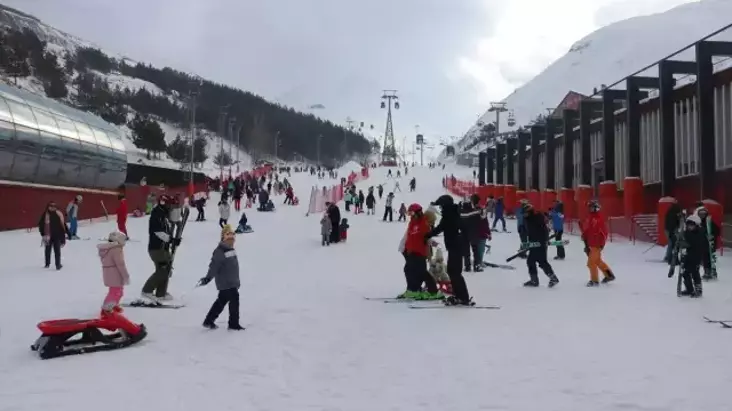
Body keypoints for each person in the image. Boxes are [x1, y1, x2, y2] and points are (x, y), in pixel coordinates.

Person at [427, 195, 474, 305]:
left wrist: (427, 235)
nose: (441, 208)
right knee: (453, 272)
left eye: (441, 206)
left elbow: (440, 228)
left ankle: (463, 297)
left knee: (455, 272)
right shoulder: (452, 213)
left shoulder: (450, 215)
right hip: (456, 246)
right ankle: (459, 296)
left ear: (445, 205)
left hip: (456, 246)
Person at [199, 225, 245, 330]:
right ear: (223, 238)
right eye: (228, 238)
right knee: (234, 299)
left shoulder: (230, 249)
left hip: (231, 281)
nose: (231, 240)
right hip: (226, 282)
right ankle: (233, 323)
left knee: (221, 301)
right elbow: (214, 266)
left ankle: (209, 320)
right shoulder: (220, 251)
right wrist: (208, 277)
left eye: (232, 238)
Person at [397, 203, 441, 300]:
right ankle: (413, 290)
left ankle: (433, 291)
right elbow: (409, 236)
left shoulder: (424, 224)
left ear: (418, 212)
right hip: (411, 251)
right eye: (410, 214)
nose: (411, 215)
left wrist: (432, 244)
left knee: (421, 272)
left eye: (412, 213)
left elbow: (427, 237)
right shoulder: (412, 222)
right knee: (409, 270)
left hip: (419, 252)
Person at [141, 195, 178, 302]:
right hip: (156, 248)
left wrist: (173, 239)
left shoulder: (164, 214)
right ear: (163, 203)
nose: (170, 206)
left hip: (164, 248)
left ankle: (160, 293)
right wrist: (171, 240)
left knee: (167, 269)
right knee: (162, 270)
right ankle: (147, 290)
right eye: (169, 204)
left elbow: (166, 229)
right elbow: (158, 232)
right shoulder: (156, 214)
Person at [522, 202, 559, 287]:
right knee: (535, 261)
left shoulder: (537, 218)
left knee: (539, 261)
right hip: (534, 243)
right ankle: (536, 280)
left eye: (525, 213)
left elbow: (544, 231)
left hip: (540, 243)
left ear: (529, 211)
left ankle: (538, 280)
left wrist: (542, 241)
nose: (524, 215)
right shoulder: (529, 219)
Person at [581, 200, 615, 286]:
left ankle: (594, 280)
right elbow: (589, 230)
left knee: (591, 263)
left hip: (597, 244)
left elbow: (604, 233)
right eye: (590, 207)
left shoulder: (599, 219)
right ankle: (609, 275)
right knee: (598, 261)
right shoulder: (591, 217)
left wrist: (601, 244)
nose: (590, 209)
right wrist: (584, 235)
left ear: (596, 208)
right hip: (591, 243)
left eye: (592, 207)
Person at [98, 231, 130, 314]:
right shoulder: (116, 249)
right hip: (115, 273)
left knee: (115, 291)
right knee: (116, 292)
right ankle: (106, 309)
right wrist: (125, 276)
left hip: (108, 272)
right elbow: (120, 264)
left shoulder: (107, 248)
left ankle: (113, 305)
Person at [675, 215, 706, 297]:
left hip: (696, 257)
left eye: (692, 225)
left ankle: (698, 290)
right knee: (685, 273)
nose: (690, 227)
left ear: (696, 225)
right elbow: (683, 239)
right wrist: (679, 238)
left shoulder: (699, 233)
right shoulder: (687, 232)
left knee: (695, 273)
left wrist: (684, 243)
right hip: (687, 256)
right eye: (688, 225)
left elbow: (692, 243)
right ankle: (689, 289)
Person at [693, 206, 719, 280]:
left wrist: (712, 236)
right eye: (701, 214)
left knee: (709, 258)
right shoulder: (697, 223)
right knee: (704, 259)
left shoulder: (709, 222)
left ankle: (712, 272)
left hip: (709, 244)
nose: (702, 215)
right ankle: (707, 272)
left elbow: (717, 230)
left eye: (704, 214)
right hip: (702, 244)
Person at [38, 201, 66, 270]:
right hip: (48, 236)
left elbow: (62, 225)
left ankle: (58, 265)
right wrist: (42, 233)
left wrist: (64, 236)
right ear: (48, 207)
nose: (52, 208)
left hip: (57, 236)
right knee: (47, 250)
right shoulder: (45, 214)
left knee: (57, 251)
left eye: (54, 206)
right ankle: (47, 264)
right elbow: (41, 224)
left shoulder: (58, 214)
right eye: (51, 206)